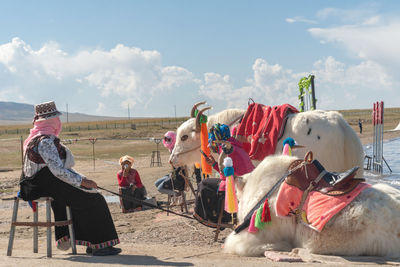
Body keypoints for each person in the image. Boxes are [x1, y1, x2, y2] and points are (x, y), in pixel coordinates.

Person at [19, 101, 121, 256]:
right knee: (95, 199)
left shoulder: (36, 138)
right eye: (55, 120)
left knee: (85, 194)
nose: (58, 123)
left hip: (41, 183)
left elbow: (59, 170)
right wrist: (82, 182)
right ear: (52, 121)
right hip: (45, 184)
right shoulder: (45, 141)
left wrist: (83, 180)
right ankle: (100, 245)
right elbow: (58, 171)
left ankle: (89, 242)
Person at [193, 123, 254, 226]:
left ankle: (210, 218)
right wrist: (213, 164)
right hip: (247, 180)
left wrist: (214, 165)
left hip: (239, 183)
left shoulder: (226, 149)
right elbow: (226, 172)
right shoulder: (234, 145)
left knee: (204, 184)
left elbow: (225, 175)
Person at [154, 131, 187, 197]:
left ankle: (178, 195)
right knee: (156, 183)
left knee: (160, 188)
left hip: (179, 177)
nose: (167, 141)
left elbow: (182, 165)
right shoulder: (172, 150)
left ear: (174, 139)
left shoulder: (178, 150)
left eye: (169, 139)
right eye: (165, 139)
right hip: (173, 174)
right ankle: (173, 194)